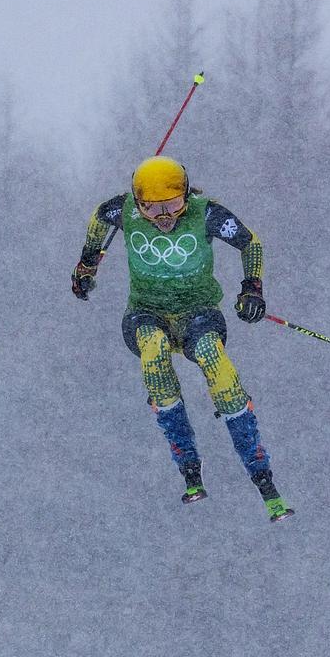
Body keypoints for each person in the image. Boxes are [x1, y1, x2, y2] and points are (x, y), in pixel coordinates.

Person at [72, 155, 294, 522]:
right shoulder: (123, 211)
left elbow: (249, 243)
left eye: (173, 205)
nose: (164, 218)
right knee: (154, 352)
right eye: (151, 208)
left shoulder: (205, 214)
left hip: (198, 313)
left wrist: (252, 288)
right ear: (137, 203)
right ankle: (188, 462)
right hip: (146, 313)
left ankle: (259, 469)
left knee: (213, 358)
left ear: (187, 196)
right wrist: (86, 264)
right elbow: (98, 219)